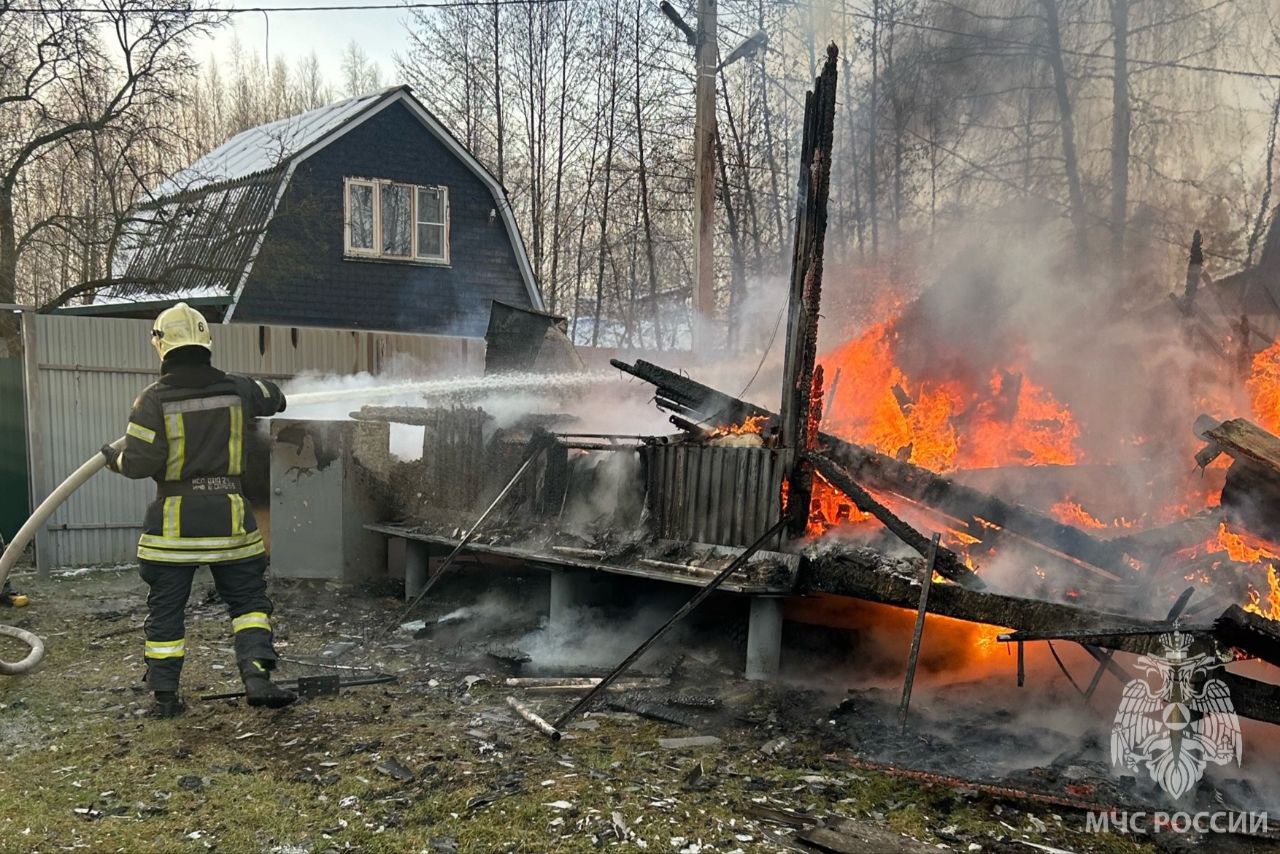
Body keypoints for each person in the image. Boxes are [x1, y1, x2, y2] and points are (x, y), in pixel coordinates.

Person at [101, 303, 296, 717]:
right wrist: (254, 393)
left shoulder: (151, 400)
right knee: (249, 604)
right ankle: (258, 677)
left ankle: (165, 697)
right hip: (230, 522)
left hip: (175, 527)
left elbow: (137, 463)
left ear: (160, 345)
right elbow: (276, 398)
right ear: (206, 342)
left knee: (167, 612)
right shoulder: (238, 388)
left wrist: (111, 459)